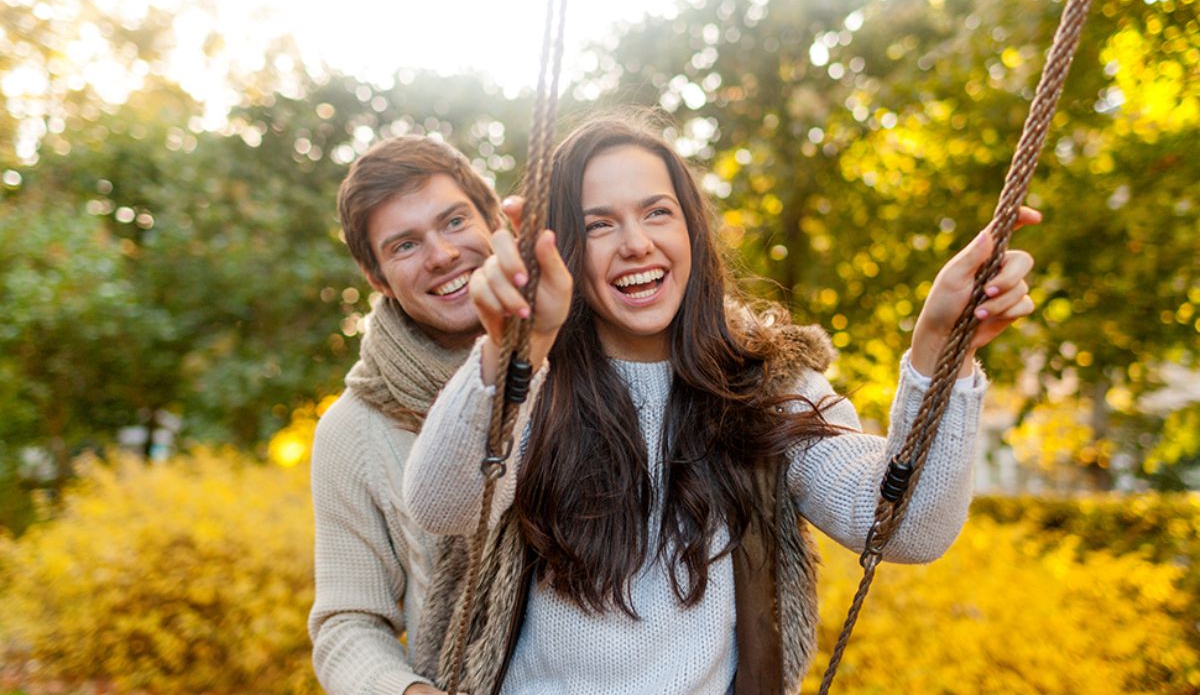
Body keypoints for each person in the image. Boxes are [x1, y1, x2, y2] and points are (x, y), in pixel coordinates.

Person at [402, 112, 1040, 694]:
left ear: (691, 229)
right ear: (563, 249)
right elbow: (442, 504)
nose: (635, 243)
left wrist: (938, 350)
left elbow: (907, 526)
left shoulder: (766, 385)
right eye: (600, 224)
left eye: (657, 213)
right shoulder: (537, 382)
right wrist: (517, 349)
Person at [308, 134, 515, 695]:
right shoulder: (354, 429)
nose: (443, 255)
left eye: (454, 222)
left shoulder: (587, 348)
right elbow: (348, 623)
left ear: (495, 220)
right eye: (404, 245)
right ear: (377, 280)